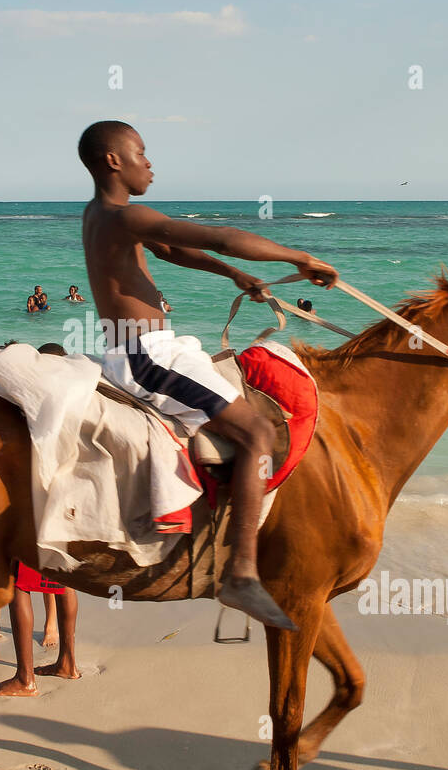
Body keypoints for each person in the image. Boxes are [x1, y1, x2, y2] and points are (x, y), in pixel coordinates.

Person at [78, 120, 338, 630]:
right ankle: (241, 573)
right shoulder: (121, 215)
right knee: (259, 430)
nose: (150, 163)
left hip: (151, 347)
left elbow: (175, 250)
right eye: (142, 153)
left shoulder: (106, 218)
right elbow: (221, 236)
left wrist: (234, 276)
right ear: (114, 161)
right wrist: (300, 258)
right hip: (144, 356)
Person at [0, 343, 81, 694]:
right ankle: (68, 663)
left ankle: (25, 678)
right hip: (70, 504)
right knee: (64, 583)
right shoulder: (73, 400)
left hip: (34, 505)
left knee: (20, 587)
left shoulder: (33, 404)